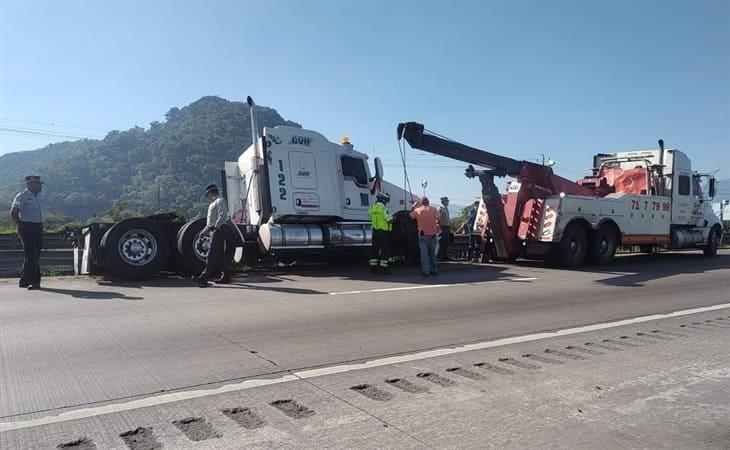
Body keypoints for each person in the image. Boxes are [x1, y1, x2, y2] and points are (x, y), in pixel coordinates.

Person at [195, 184, 237, 287]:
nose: (207, 197)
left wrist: (216, 227)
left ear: (211, 193)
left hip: (218, 230)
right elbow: (210, 222)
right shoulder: (214, 203)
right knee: (219, 256)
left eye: (207, 194)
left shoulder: (220, 200)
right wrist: (204, 231)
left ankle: (204, 277)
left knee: (212, 254)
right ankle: (226, 276)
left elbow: (222, 215)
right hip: (215, 230)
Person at [10, 175, 44, 290]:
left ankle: (24, 280)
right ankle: (34, 281)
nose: (40, 186)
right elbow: (14, 213)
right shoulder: (22, 196)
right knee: (31, 255)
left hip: (38, 227)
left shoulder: (37, 196)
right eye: (38, 184)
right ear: (31, 184)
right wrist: (20, 225)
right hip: (27, 227)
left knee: (34, 255)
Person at [410, 197, 441, 276]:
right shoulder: (434, 209)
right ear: (428, 202)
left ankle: (426, 271)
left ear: (421, 203)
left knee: (424, 254)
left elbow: (410, 216)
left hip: (423, 235)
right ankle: (434, 270)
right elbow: (439, 217)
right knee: (432, 253)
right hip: (433, 235)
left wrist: (413, 206)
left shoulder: (418, 210)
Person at [369, 192, 394, 274]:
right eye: (386, 200)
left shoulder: (373, 208)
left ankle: (373, 268)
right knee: (384, 251)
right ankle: (384, 269)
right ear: (383, 200)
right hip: (384, 233)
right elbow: (389, 220)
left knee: (374, 250)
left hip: (375, 231)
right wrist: (394, 218)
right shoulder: (384, 209)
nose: (386, 201)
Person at [437, 196, 452, 261]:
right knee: (442, 242)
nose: (448, 202)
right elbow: (438, 219)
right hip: (443, 227)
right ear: (443, 202)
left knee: (446, 242)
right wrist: (440, 229)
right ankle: (440, 257)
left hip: (447, 227)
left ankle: (445, 256)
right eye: (447, 201)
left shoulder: (446, 208)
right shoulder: (440, 209)